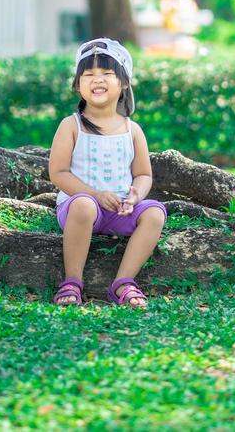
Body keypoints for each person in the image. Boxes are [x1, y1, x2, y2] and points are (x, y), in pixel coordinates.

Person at [48, 37, 167, 308]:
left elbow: (143, 174)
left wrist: (136, 195)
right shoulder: (71, 126)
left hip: (119, 209)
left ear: (123, 83)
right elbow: (58, 172)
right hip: (79, 207)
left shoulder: (131, 129)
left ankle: (123, 282)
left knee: (154, 212)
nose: (96, 80)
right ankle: (72, 281)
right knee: (84, 206)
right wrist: (94, 195)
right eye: (88, 75)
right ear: (78, 85)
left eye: (106, 74)